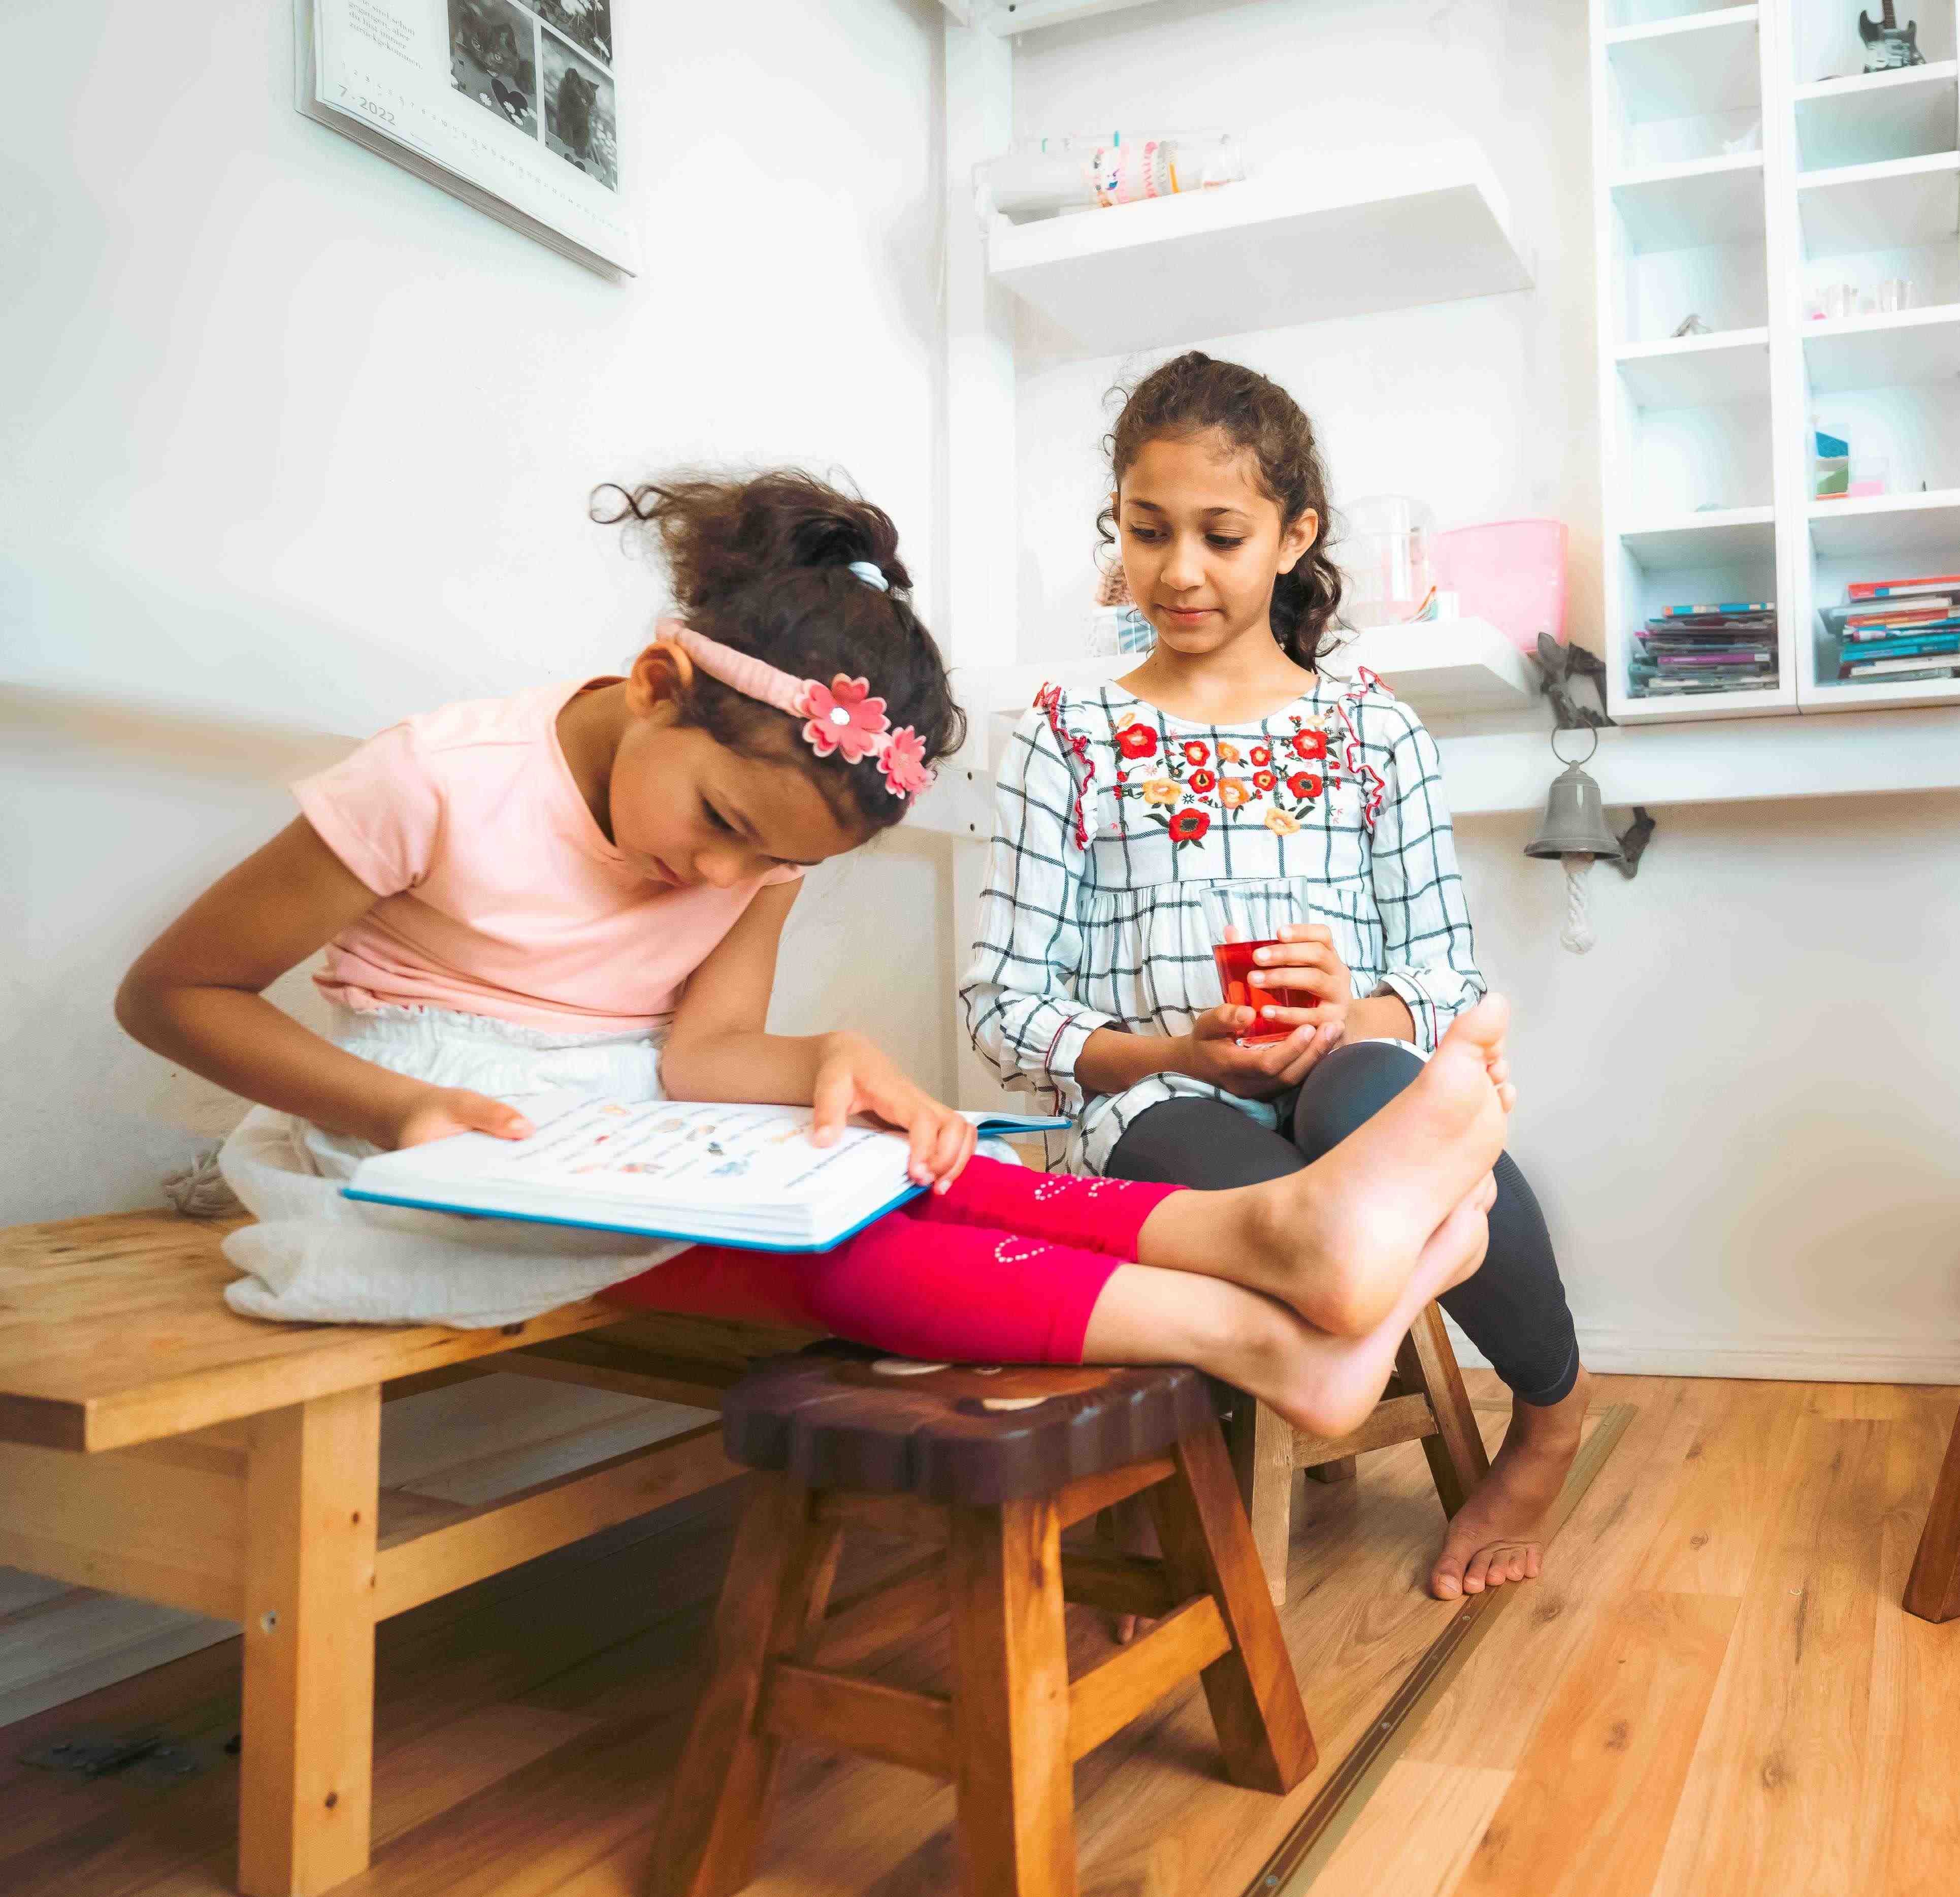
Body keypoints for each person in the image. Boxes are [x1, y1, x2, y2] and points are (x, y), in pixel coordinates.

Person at [114, 469, 1506, 1439]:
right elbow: (173, 993)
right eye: (720, 825)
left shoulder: (762, 850)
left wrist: (834, 1057)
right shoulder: (435, 779)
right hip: (426, 1134)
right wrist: (397, 1111)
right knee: (831, 1253)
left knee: (930, 1158)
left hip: (636, 1114)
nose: (720, 877)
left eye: (768, 866)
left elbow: (706, 1055)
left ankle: (1280, 1236)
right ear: (658, 687)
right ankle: (1267, 1331)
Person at [964, 352, 1589, 1600]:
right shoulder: (1063, 734)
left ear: (1294, 534)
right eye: (1148, 532)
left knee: (1370, 1097)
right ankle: (1341, 1332)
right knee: (1291, 1202)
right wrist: (1179, 1053)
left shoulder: (1375, 731)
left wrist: (1351, 1006)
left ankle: (1554, 1417)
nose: (1179, 570)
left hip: (1353, 1077)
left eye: (1222, 533)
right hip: (1159, 1098)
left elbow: (1448, 978)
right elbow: (1001, 1004)